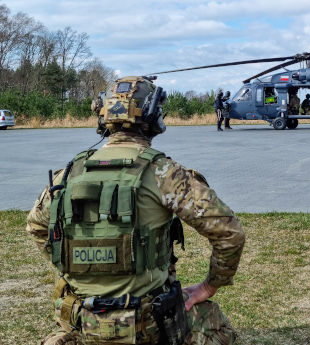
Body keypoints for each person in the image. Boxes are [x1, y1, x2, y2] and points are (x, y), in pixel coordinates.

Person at [27, 76, 245, 345]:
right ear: (154, 118)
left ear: (104, 117)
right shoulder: (164, 173)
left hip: (82, 322)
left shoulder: (69, 173)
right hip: (148, 326)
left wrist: (76, 267)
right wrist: (209, 286)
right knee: (215, 322)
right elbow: (229, 233)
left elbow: (36, 226)